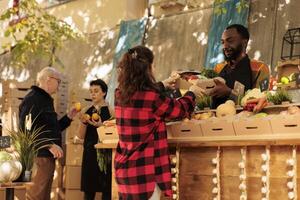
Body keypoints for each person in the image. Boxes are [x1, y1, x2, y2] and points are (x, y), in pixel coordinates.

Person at [114, 45, 204, 200]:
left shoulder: (119, 94)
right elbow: (178, 110)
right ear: (147, 69)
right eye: (153, 64)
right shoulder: (152, 98)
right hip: (144, 174)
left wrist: (163, 84)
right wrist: (192, 93)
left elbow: (141, 95)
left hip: (125, 171)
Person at [19, 67, 79, 200]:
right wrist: (49, 145)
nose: (59, 87)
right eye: (58, 81)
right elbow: (26, 129)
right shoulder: (33, 99)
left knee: (44, 197)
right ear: (49, 80)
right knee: (35, 196)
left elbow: (53, 129)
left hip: (47, 158)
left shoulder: (45, 100)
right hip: (38, 157)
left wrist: (68, 117)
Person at [210, 24, 270, 109]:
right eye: (223, 42)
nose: (225, 46)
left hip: (244, 119)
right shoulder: (218, 68)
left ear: (244, 43)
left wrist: (229, 92)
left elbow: (260, 101)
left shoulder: (260, 68)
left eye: (230, 41)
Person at [74, 79, 113, 200]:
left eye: (96, 91)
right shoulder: (86, 110)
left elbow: (114, 134)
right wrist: (83, 123)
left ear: (104, 92)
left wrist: (102, 126)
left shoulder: (112, 111)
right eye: (91, 91)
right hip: (90, 153)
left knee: (107, 190)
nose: (93, 94)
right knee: (89, 191)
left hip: (106, 154)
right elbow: (80, 136)